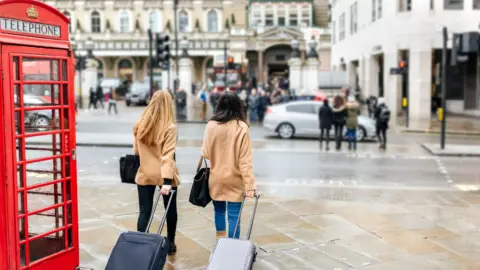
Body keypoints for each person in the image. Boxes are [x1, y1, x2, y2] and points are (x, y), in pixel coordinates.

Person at [201, 91, 256, 240]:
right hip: (235, 179)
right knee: (234, 216)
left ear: (219, 105)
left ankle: (220, 242)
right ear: (238, 106)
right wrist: (250, 186)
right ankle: (232, 247)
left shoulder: (211, 125)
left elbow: (205, 153)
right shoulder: (242, 127)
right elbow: (245, 160)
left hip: (216, 177)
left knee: (219, 211)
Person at [133, 90, 180, 255]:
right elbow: (168, 156)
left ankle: (140, 244)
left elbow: (136, 150)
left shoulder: (140, 123)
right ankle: (171, 242)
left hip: (145, 172)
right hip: (163, 174)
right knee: (170, 209)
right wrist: (167, 181)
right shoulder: (170, 127)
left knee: (144, 210)